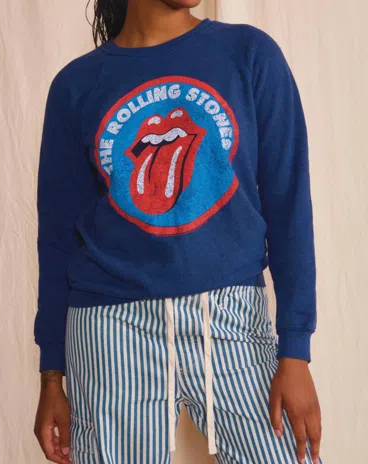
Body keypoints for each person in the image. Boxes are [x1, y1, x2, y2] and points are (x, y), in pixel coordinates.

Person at [33, 1, 323, 463]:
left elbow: (289, 204)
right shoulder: (76, 85)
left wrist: (295, 350)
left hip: (232, 319)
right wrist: (52, 374)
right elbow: (56, 240)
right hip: (112, 331)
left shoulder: (249, 54)